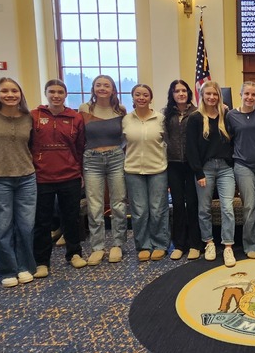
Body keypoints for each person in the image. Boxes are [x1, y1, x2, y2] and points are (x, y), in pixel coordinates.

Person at [0, 77, 37, 288]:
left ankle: (24, 267)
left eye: (14, 90)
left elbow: (31, 145)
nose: (10, 94)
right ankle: (7, 270)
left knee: (26, 226)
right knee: (1, 227)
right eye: (4, 91)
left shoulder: (28, 118)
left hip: (26, 177)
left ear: (21, 94)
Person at [31, 79, 87, 276]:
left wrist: (80, 172)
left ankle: (74, 253)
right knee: (42, 221)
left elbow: (80, 147)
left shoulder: (75, 118)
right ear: (46, 93)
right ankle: (42, 261)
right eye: (52, 91)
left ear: (65, 95)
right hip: (41, 176)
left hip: (69, 174)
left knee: (70, 217)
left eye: (60, 92)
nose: (56, 95)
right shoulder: (34, 116)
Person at [79, 75, 128, 265]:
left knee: (118, 204)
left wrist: (117, 150)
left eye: (106, 85)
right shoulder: (84, 109)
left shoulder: (120, 110)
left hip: (115, 158)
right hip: (91, 160)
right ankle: (97, 247)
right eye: (98, 85)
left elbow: (124, 136)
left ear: (113, 89)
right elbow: (80, 135)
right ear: (93, 88)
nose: (102, 88)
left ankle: (117, 244)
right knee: (95, 205)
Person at [187, 81, 237, 266]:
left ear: (219, 96)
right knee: (204, 209)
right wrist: (198, 172)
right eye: (208, 94)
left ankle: (228, 246)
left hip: (225, 168)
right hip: (205, 169)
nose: (211, 97)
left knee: (227, 208)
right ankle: (209, 243)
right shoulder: (195, 118)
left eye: (214, 94)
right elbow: (191, 148)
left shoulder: (226, 115)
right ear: (202, 95)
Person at [123, 83, 170, 262]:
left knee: (158, 209)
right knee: (139, 211)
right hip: (133, 170)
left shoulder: (160, 119)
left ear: (151, 98)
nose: (141, 98)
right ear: (133, 97)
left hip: (158, 169)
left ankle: (159, 244)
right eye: (137, 95)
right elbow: (120, 144)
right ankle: (143, 245)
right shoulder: (126, 119)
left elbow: (168, 143)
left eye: (145, 95)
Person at [227, 82, 255, 259]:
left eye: (253, 95)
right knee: (249, 206)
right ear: (240, 94)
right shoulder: (231, 115)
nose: (250, 97)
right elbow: (228, 138)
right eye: (247, 94)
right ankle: (251, 245)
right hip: (242, 165)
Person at [163, 80, 203, 260]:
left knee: (193, 203)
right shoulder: (166, 114)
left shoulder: (197, 112)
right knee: (178, 204)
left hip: (192, 164)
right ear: (172, 94)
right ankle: (179, 244)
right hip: (173, 164)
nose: (180, 94)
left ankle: (195, 244)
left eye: (183, 91)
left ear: (188, 93)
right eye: (176, 91)